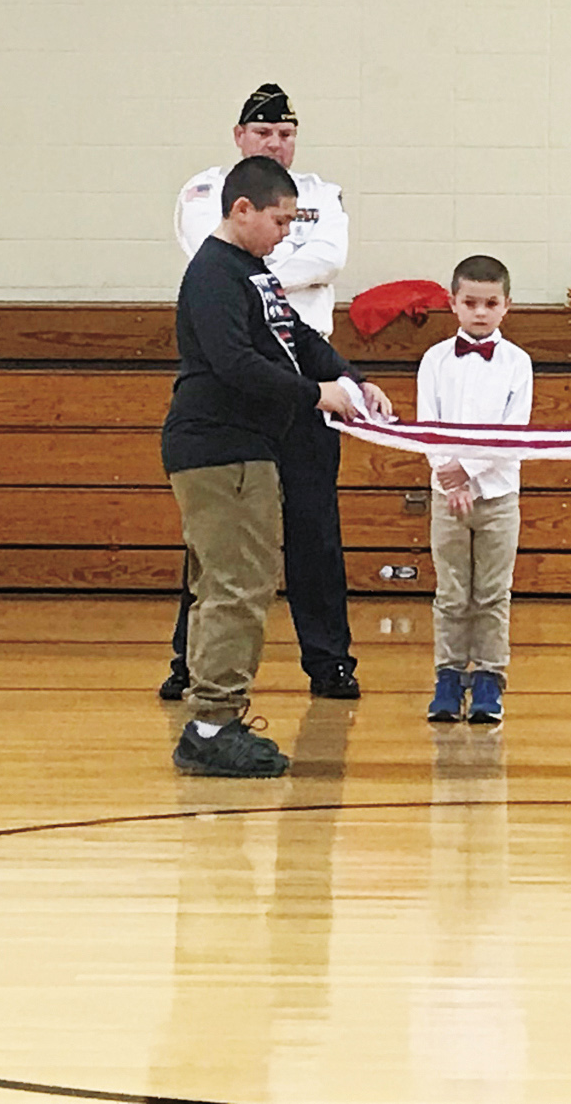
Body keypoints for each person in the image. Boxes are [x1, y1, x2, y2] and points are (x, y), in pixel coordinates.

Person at [163, 155, 393, 776]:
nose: (286, 233)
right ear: (241, 210)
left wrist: (350, 376)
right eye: (279, 219)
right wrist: (319, 396)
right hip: (219, 447)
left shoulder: (252, 272)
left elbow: (296, 338)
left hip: (246, 447)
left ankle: (217, 718)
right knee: (236, 586)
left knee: (238, 583)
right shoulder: (214, 274)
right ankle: (211, 723)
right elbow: (236, 364)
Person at [161, 83, 363, 700]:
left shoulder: (311, 204)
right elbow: (238, 348)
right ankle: (195, 678)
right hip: (238, 413)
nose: (277, 142)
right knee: (223, 559)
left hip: (300, 386)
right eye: (264, 132)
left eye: (287, 133)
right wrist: (316, 390)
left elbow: (323, 270)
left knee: (311, 531)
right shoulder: (215, 227)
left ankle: (325, 662)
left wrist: (349, 380)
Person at [416, 256, 532, 725]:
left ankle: (489, 678)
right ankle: (448, 676)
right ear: (453, 304)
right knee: (451, 591)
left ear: (507, 306)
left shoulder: (517, 363)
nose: (480, 313)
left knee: (492, 592)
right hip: (447, 496)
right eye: (470, 303)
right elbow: (427, 425)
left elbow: (514, 433)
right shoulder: (435, 360)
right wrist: (448, 473)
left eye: (490, 303)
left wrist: (468, 472)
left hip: (498, 495)